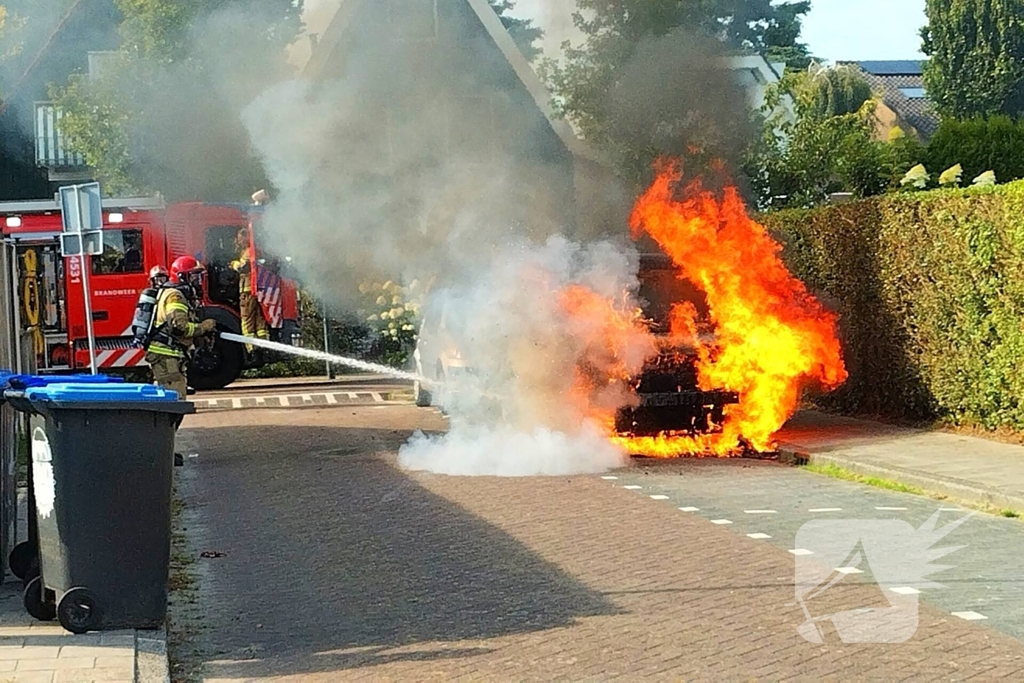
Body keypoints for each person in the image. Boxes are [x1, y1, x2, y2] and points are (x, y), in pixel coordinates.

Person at [144, 255, 217, 399]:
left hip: (170, 356)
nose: (197, 281)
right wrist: (203, 327)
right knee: (173, 401)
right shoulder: (175, 296)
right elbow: (179, 327)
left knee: (173, 400)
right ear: (182, 277)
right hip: (165, 355)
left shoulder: (176, 294)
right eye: (194, 276)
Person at [230, 227, 268, 351]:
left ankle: (251, 348)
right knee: (260, 320)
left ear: (247, 237)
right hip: (258, 291)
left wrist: (234, 264)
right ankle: (264, 345)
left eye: (240, 238)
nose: (237, 241)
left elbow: (243, 268)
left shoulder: (249, 252)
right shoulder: (257, 250)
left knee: (247, 320)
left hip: (247, 291)